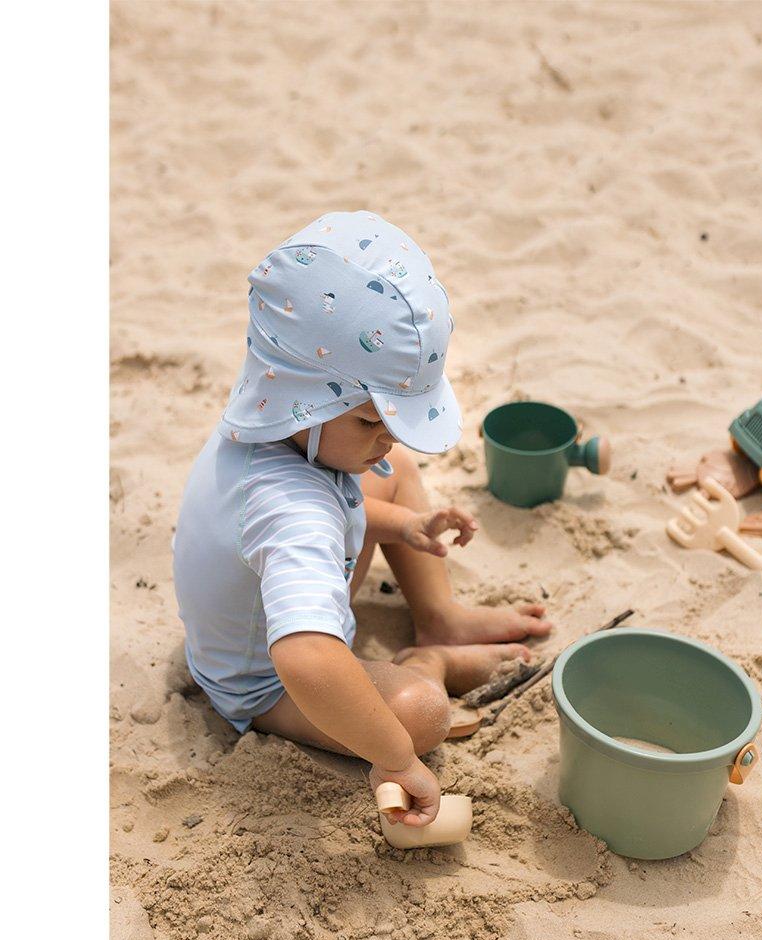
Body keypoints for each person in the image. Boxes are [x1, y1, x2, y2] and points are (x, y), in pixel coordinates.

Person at [173, 210, 552, 829]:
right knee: (421, 713)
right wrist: (396, 760)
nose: (387, 435)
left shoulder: (272, 422)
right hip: (265, 681)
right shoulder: (293, 514)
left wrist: (402, 526)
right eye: (371, 419)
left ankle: (439, 615)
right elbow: (306, 658)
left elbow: (309, 513)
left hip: (271, 599)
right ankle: (429, 660)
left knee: (392, 469)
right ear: (301, 399)